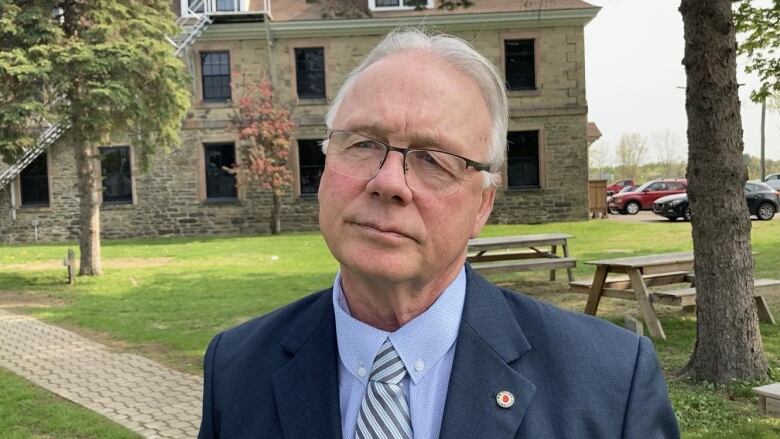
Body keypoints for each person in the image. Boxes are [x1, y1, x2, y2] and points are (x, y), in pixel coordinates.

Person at [198, 29, 679, 439]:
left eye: (432, 159)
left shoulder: (610, 381)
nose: (387, 182)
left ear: (482, 204)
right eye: (364, 143)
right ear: (324, 171)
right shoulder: (236, 369)